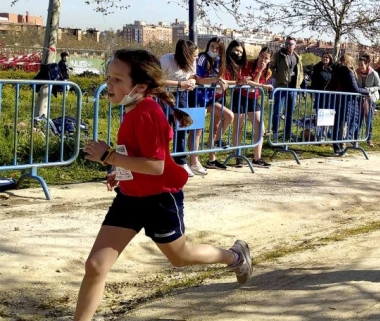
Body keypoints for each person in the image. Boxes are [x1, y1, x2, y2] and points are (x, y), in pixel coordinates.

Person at [75, 49, 253, 321]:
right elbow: (137, 154)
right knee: (96, 265)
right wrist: (119, 169)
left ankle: (235, 257)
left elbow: (156, 166)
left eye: (117, 79)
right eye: (109, 77)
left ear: (140, 86)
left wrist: (108, 156)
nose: (109, 84)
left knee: (180, 258)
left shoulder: (148, 111)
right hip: (130, 197)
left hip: (160, 199)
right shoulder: (134, 107)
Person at [160, 39, 208, 177]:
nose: (197, 58)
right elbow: (157, 80)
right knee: (165, 128)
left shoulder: (191, 62)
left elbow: (192, 75)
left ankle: (180, 159)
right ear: (186, 54)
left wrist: (192, 81)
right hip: (164, 95)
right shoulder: (166, 60)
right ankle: (162, 159)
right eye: (194, 55)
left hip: (182, 96)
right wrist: (180, 84)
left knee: (182, 126)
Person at [231, 46, 273, 168]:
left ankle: (257, 157)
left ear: (269, 60)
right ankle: (238, 156)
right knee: (239, 126)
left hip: (254, 98)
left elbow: (255, 85)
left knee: (260, 128)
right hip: (240, 96)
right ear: (258, 55)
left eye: (266, 58)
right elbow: (248, 82)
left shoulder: (268, 71)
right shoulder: (248, 64)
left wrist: (260, 72)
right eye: (261, 56)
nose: (262, 60)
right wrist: (262, 84)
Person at [195, 37, 233, 170]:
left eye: (218, 48)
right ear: (208, 46)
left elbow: (220, 79)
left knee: (228, 117)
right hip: (199, 98)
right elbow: (199, 79)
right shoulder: (202, 57)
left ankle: (213, 154)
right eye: (212, 47)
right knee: (197, 131)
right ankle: (194, 161)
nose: (214, 50)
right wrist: (216, 80)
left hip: (213, 98)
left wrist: (230, 83)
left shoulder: (220, 60)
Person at [326, 54, 370, 155]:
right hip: (346, 101)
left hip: (335, 100)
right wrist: (366, 91)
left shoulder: (335, 71)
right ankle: (340, 146)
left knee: (337, 124)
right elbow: (354, 88)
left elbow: (330, 86)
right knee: (344, 123)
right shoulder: (348, 72)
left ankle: (337, 147)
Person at [270, 37, 304, 141]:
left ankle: (287, 133)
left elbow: (300, 71)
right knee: (277, 111)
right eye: (287, 44)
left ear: (295, 46)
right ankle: (274, 132)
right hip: (281, 87)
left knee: (290, 112)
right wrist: (277, 76)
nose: (288, 46)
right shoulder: (278, 55)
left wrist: (300, 82)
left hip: (293, 88)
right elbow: (271, 67)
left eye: (291, 44)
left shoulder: (297, 57)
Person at [356, 53, 380, 147]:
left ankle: (369, 138)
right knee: (358, 119)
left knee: (369, 119)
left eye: (361, 65)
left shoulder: (373, 73)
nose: (360, 67)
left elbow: (379, 86)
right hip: (359, 99)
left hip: (371, 99)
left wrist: (369, 89)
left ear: (366, 64)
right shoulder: (356, 72)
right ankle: (356, 138)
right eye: (358, 64)